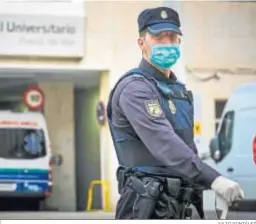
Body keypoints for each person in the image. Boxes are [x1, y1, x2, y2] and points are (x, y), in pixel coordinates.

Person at [107, 6, 244, 219]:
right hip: (145, 206)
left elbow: (187, 149)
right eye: (159, 37)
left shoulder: (178, 92)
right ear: (141, 43)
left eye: (172, 37)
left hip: (179, 205)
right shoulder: (134, 89)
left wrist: (201, 195)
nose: (167, 43)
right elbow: (164, 142)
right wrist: (213, 179)